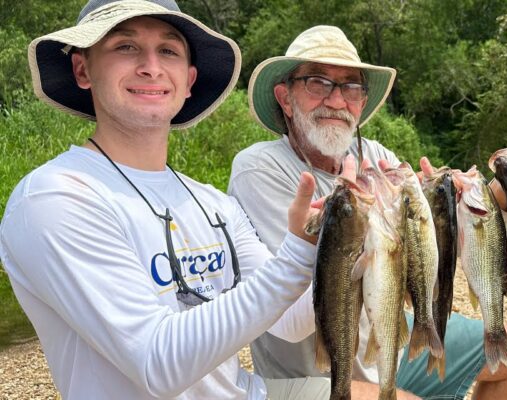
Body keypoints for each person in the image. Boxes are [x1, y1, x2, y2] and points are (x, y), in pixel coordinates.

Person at [0, 1, 352, 398]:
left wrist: (356, 242)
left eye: (168, 50)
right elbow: (157, 364)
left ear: (188, 80)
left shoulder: (213, 202)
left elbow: (290, 320)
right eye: (125, 47)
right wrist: (296, 258)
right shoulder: (55, 197)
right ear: (83, 69)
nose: (151, 66)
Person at [229, 25, 507, 399]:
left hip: (383, 331)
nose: (337, 100)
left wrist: (504, 191)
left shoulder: (377, 158)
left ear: (362, 101)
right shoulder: (260, 169)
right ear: (286, 98)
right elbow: (285, 319)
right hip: (319, 369)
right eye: (318, 82)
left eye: (351, 86)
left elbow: (431, 248)